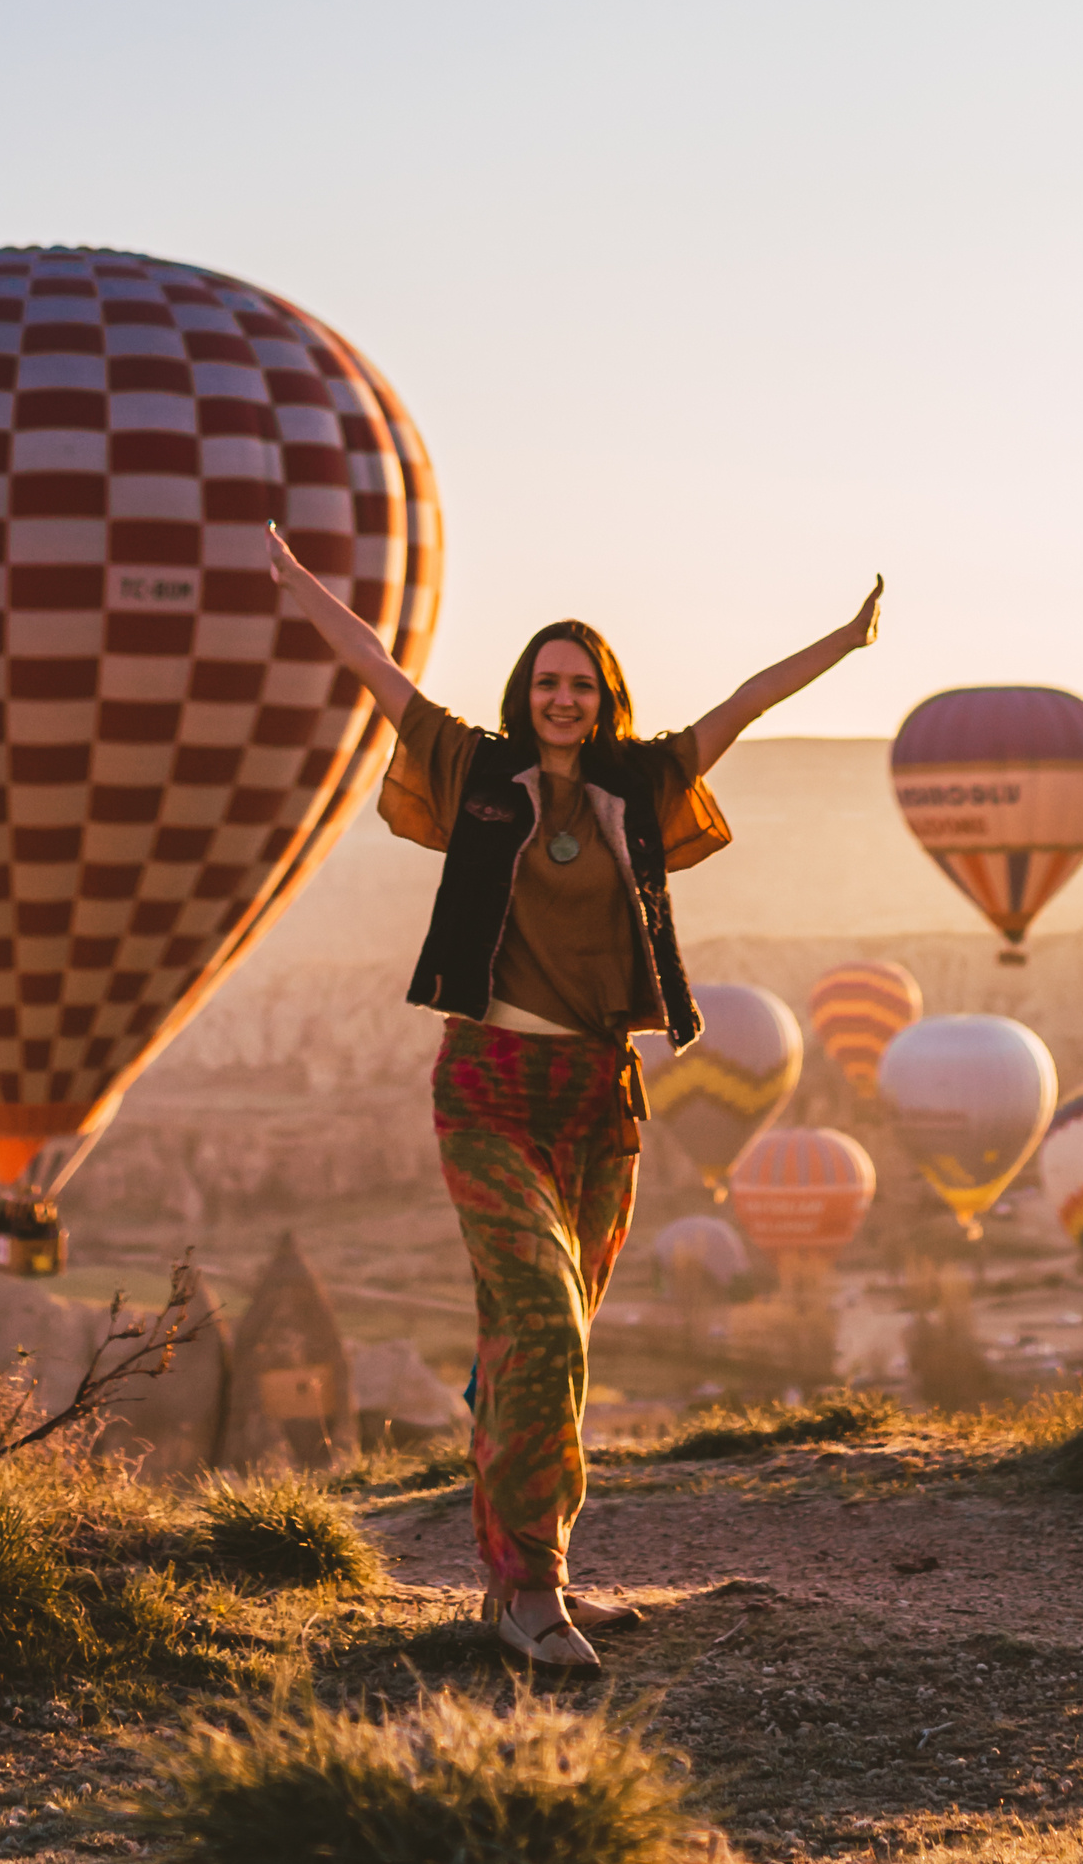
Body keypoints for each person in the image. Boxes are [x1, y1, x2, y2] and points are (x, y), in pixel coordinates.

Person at [266, 521, 882, 1669]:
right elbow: (380, 676)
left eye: (580, 685)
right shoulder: (470, 767)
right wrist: (297, 585)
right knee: (542, 1325)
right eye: (546, 683)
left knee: (556, 1345)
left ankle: (534, 1554)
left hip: (602, 1096)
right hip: (490, 1085)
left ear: (604, 699)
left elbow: (740, 706)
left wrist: (842, 645)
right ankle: (525, 1592)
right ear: (523, 692)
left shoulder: (638, 782)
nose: (560, 699)